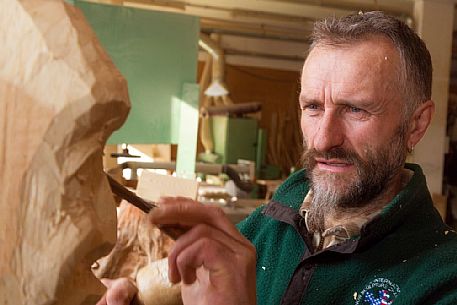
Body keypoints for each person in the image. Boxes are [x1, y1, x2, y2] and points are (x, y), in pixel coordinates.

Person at [98, 11, 457, 305]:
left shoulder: (442, 279)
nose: (323, 139)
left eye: (356, 110)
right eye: (313, 107)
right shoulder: (271, 222)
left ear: (416, 124)